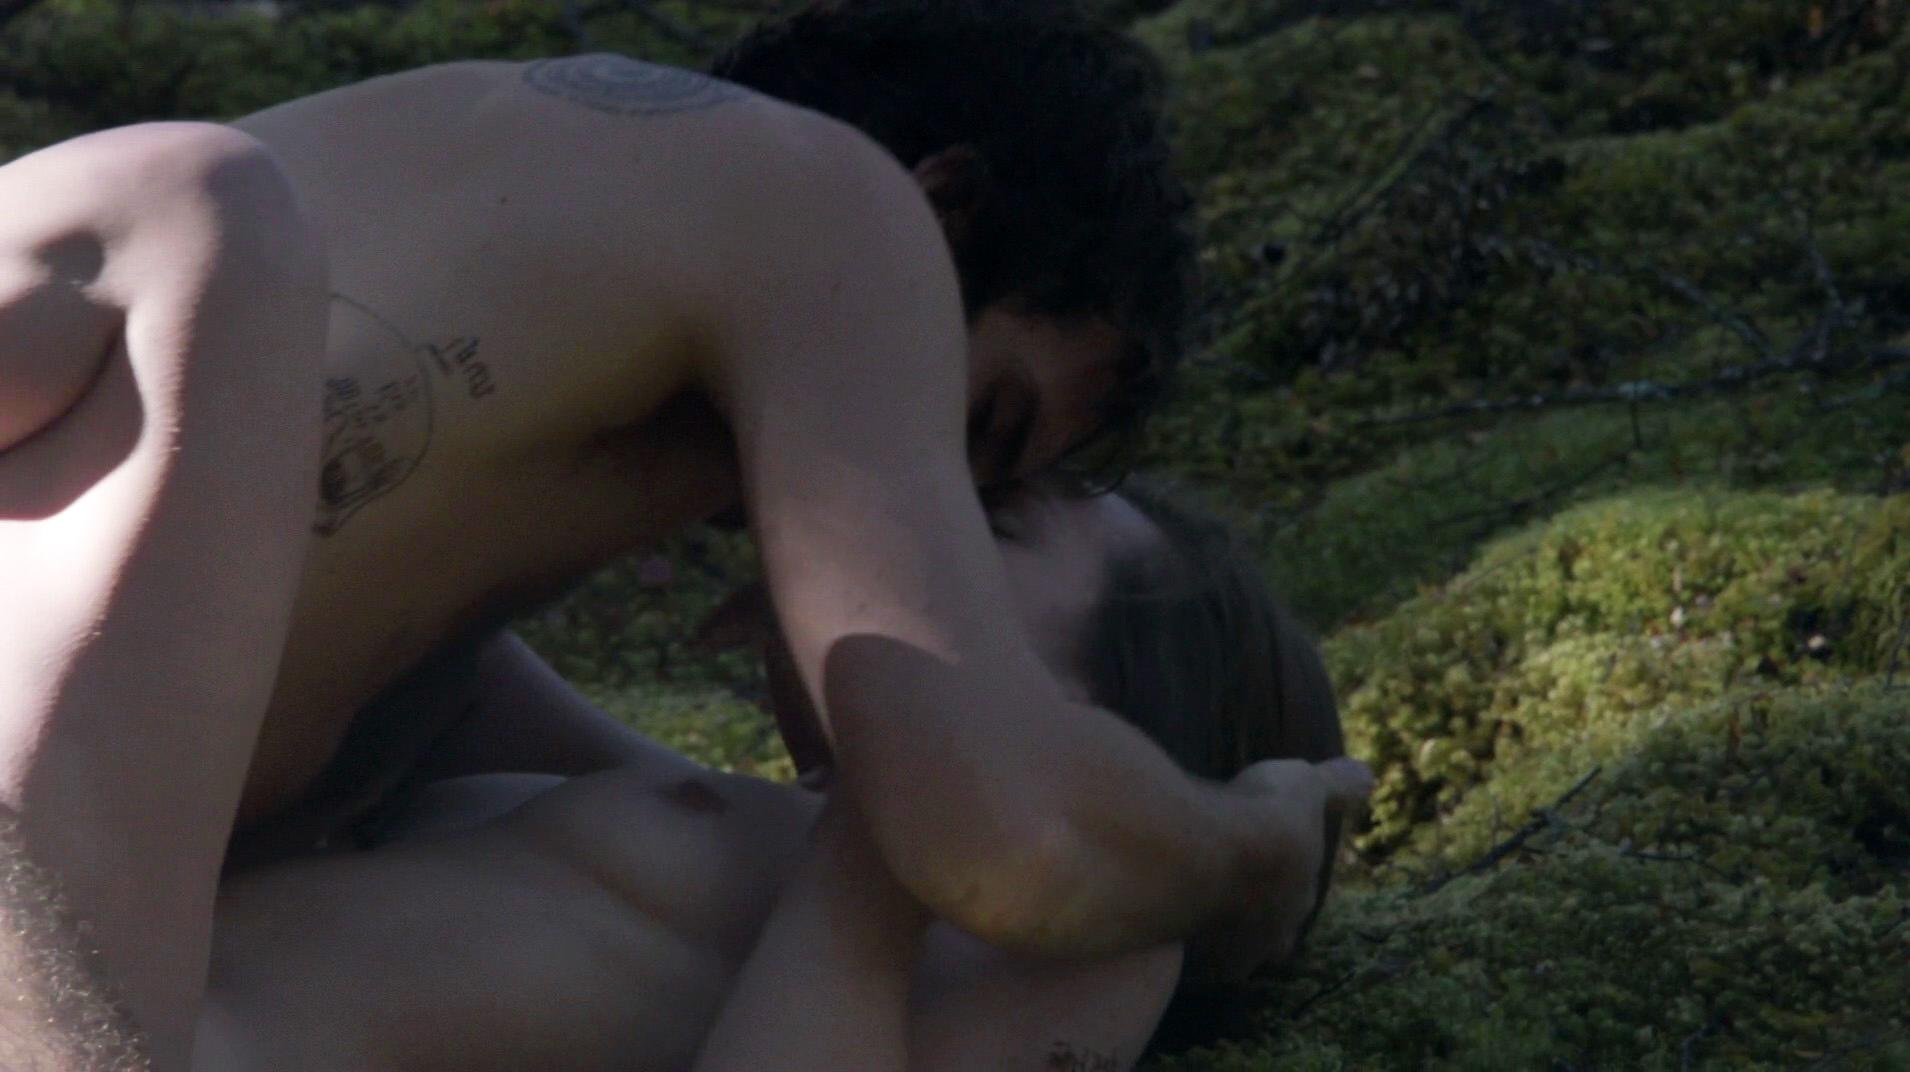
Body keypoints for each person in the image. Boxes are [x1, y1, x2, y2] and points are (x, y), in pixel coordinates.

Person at [0, 2, 1368, 1063]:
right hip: (66, 965)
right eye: (980, 435)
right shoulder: (837, 207)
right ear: (941, 212)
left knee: (204, 210)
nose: (928, 512)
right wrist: (1252, 851)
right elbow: (997, 828)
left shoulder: (463, 523)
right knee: (204, 209)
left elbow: (955, 822)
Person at [196, 479, 1354, 1072]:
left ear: (1095, 726)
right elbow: (450, 668)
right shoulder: (737, 827)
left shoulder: (1093, 943)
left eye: (987, 519)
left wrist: (919, 805)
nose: (912, 497)